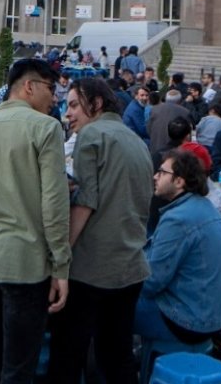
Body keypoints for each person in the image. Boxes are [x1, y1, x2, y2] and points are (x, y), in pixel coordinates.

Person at [0, 58, 70, 384]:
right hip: (24, 262)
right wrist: (61, 266)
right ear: (29, 86)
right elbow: (54, 204)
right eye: (50, 89)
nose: (54, 98)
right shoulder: (46, 127)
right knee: (18, 367)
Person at [48, 78, 152, 383]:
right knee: (117, 355)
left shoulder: (91, 135)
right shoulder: (136, 140)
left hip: (91, 271)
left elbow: (84, 203)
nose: (68, 113)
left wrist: (59, 259)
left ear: (96, 104)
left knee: (66, 356)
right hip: (131, 267)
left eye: (75, 105)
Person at [137, 150, 221, 352]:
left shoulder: (178, 219)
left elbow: (151, 282)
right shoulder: (205, 207)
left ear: (179, 181)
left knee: (107, 309)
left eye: (161, 172)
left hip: (187, 321)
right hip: (212, 316)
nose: (155, 176)